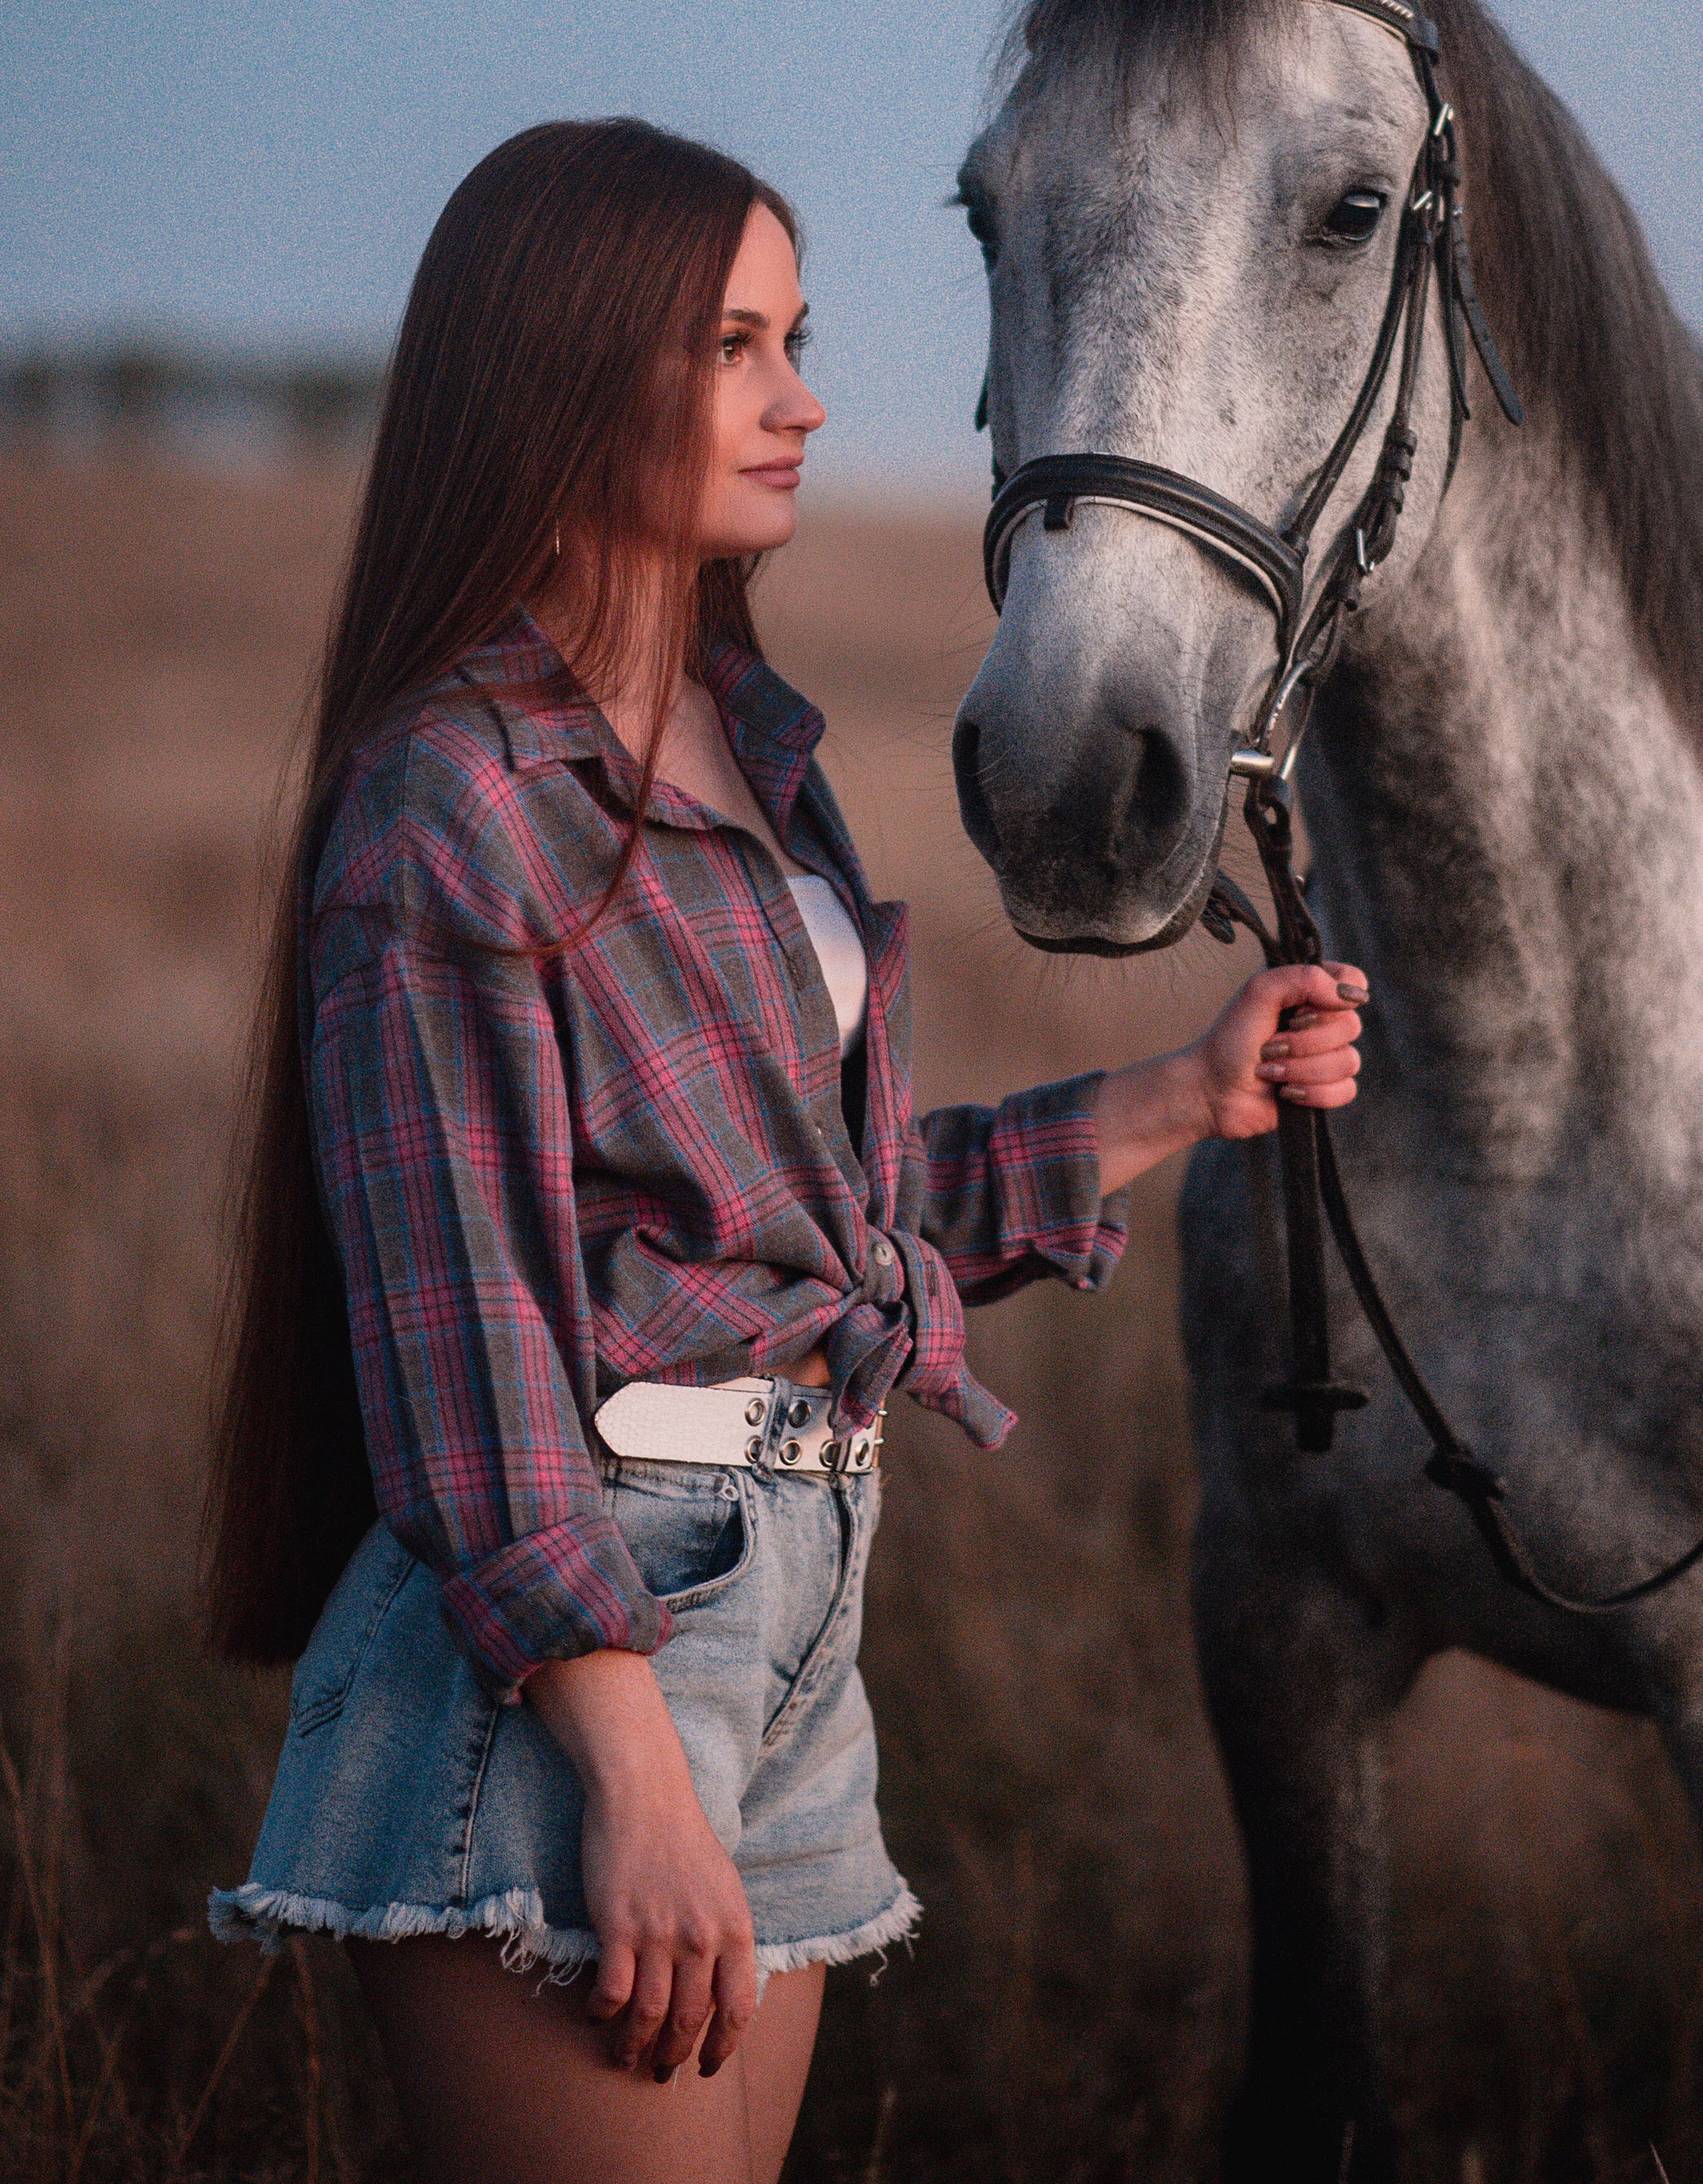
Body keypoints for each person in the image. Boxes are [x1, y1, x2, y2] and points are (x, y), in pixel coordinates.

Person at [204, 118, 1367, 2184]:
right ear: (558, 371)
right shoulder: (449, 803)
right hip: (578, 1654)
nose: (805, 394)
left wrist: (1182, 1092)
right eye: (732, 344)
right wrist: (632, 1763)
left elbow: (784, 1212)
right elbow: (459, 1338)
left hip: (801, 1607)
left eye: (796, 335)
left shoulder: (751, 748)